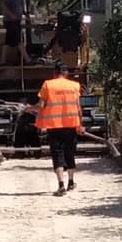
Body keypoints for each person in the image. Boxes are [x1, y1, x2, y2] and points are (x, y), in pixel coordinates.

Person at [32, 63, 84, 196]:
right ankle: (71, 182)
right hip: (71, 125)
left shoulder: (48, 85)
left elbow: (41, 106)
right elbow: (78, 108)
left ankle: (61, 185)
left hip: (54, 126)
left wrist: (28, 108)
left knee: (57, 155)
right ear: (66, 74)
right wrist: (80, 125)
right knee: (69, 153)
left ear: (54, 73)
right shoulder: (74, 86)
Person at [1, 0, 26, 65]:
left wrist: (25, 15)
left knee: (8, 41)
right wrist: (11, 14)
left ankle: (2, 60)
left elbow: (21, 7)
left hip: (17, 20)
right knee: (18, 39)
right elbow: (3, 5)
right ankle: (27, 58)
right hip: (10, 21)